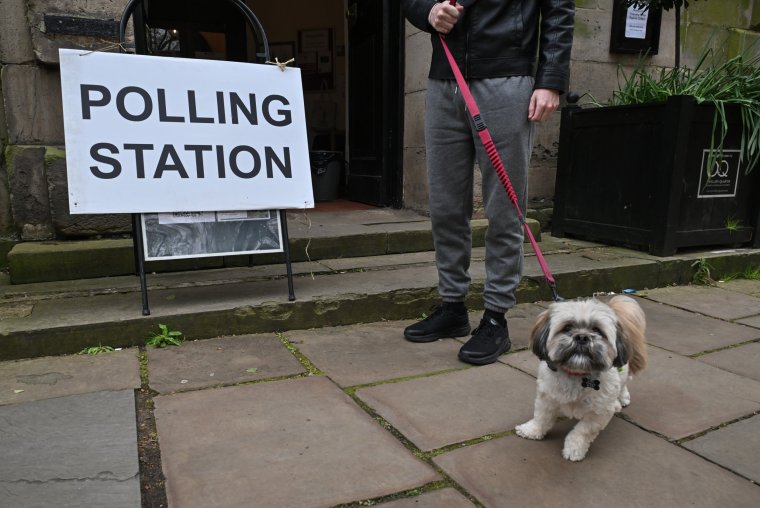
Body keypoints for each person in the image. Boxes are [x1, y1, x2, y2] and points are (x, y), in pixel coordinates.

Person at [401, 0, 575, 365]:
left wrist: (551, 80)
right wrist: (427, 12)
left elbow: (559, 10)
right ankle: (453, 307)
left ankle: (496, 317)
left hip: (507, 81)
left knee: (505, 209)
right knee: (446, 208)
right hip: (443, 78)